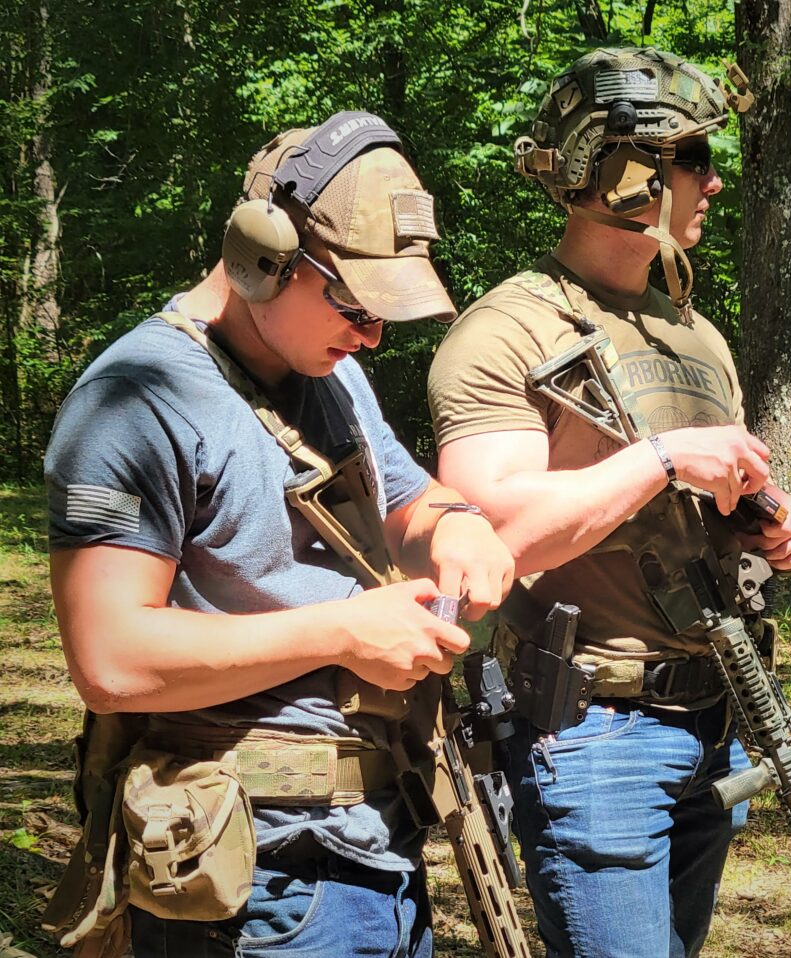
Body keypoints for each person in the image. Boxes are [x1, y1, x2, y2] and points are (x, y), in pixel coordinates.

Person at [43, 111, 514, 958]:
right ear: (262, 256)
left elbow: (407, 497)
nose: (370, 334)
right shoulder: (137, 398)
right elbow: (108, 659)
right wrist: (343, 631)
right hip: (254, 880)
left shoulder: (334, 372)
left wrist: (461, 527)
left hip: (378, 842)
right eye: (352, 303)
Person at [427, 48, 791, 957]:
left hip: (717, 715)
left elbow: (700, 499)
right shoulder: (506, 332)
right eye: (694, 160)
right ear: (627, 176)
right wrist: (663, 456)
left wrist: (769, 515)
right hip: (597, 735)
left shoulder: (692, 331)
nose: (715, 182)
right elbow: (488, 540)